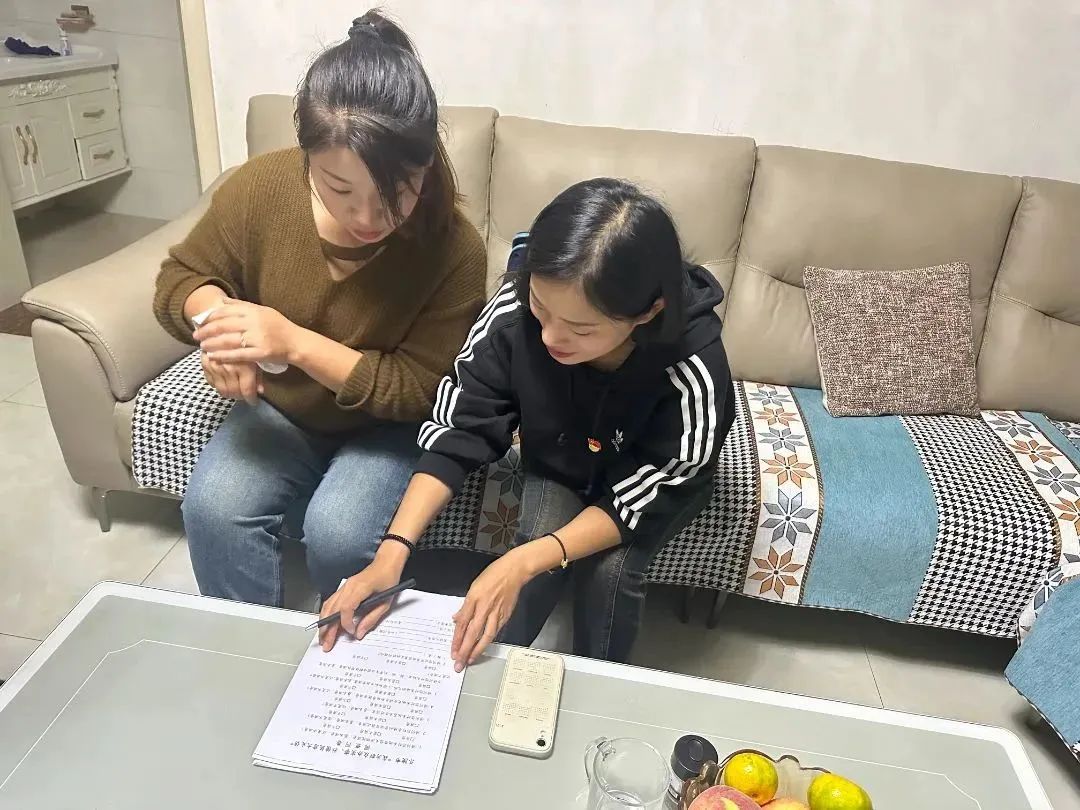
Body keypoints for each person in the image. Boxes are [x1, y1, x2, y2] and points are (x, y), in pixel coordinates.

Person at [319, 177, 736, 666]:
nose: (550, 337)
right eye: (541, 308)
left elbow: (652, 491)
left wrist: (523, 562)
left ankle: (597, 676)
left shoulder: (693, 368)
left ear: (648, 312)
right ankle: (492, 669)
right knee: (530, 558)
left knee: (608, 574)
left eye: (581, 329)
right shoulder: (514, 312)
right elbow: (461, 426)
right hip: (563, 458)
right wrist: (392, 552)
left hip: (649, 482)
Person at [152, 11, 486, 606]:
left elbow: (421, 393)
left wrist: (294, 343)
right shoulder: (261, 188)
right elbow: (181, 279)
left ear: (427, 164)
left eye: (396, 192)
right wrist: (218, 325)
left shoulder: (455, 249)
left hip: (387, 429)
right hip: (282, 411)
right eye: (340, 189)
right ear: (307, 157)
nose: (367, 218)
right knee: (213, 508)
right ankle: (249, 643)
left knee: (340, 534)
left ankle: (350, 655)